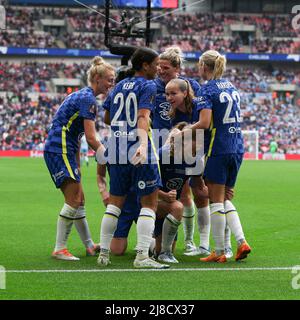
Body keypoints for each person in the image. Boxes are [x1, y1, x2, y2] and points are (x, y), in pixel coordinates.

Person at [97, 47, 169, 269]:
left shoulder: (118, 85)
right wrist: (142, 144)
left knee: (115, 204)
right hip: (137, 147)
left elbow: (108, 117)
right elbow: (143, 116)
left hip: (116, 147)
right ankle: (142, 257)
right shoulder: (148, 86)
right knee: (149, 204)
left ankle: (103, 255)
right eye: (156, 64)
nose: (158, 69)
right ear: (145, 65)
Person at [43, 56, 115, 261]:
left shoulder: (84, 96)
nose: (112, 83)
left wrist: (77, 162)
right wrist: (108, 159)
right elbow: (91, 137)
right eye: (109, 79)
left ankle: (89, 246)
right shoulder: (88, 99)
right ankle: (59, 248)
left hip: (65, 149)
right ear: (98, 78)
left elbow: (76, 134)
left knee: (80, 199)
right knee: (73, 200)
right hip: (60, 149)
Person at [190, 50, 251, 263]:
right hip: (237, 147)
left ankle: (218, 251)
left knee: (215, 201)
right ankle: (241, 241)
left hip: (219, 148)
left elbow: (205, 123)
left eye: (199, 65)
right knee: (225, 198)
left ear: (204, 67)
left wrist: (185, 130)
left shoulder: (207, 90)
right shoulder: (232, 87)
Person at [165, 78, 233, 258]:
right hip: (184, 156)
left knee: (205, 196)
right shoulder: (171, 114)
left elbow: (206, 128)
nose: (169, 97)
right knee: (184, 195)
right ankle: (189, 242)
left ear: (185, 93)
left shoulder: (199, 106)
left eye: (173, 94)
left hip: (205, 154)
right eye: (167, 94)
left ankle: (208, 245)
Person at [152, 46, 205, 255]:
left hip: (186, 145)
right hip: (161, 146)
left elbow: (199, 115)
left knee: (188, 192)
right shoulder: (153, 87)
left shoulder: (190, 87)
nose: (160, 71)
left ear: (177, 68)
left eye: (165, 68)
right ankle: (157, 240)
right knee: (166, 194)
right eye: (158, 67)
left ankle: (190, 241)